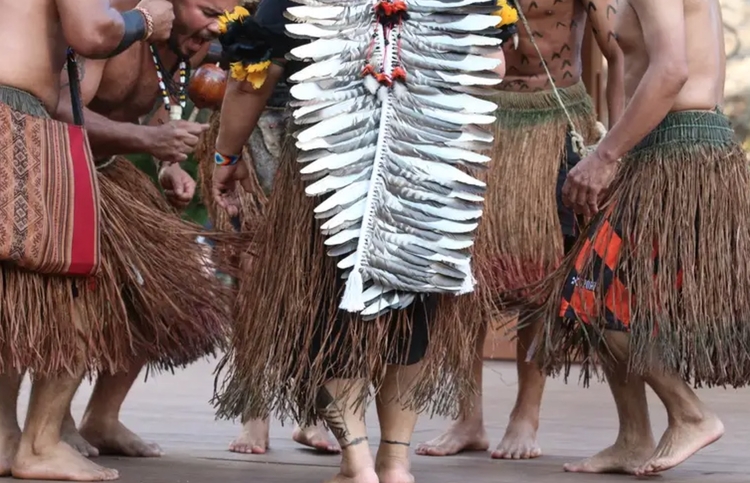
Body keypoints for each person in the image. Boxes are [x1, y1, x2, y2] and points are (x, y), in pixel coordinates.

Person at [210, 1, 517, 482]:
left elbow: (255, 73)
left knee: (327, 309)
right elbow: (493, 63)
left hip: (330, 171)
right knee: (413, 304)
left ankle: (357, 461)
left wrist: (225, 155)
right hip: (429, 164)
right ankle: (395, 462)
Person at [520, 0, 744, 475]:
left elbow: (671, 72)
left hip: (678, 153)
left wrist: (605, 156)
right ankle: (634, 437)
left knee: (587, 296)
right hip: (666, 150)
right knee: (600, 299)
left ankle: (689, 413)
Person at [416, 0, 625, 460]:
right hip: (477, 117)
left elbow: (618, 51)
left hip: (553, 117)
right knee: (464, 273)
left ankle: (526, 414)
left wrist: (613, 147)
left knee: (541, 274)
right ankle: (467, 417)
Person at [53, 0, 243, 460]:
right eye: (207, 10)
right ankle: (50, 424)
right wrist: (147, 141)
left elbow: (162, 104)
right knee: (64, 301)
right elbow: (60, 108)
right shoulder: (117, 27)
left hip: (112, 171)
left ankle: (102, 416)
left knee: (163, 287)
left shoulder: (191, 44)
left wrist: (168, 165)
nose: (216, 26)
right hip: (58, 169)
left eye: (228, 16)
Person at [0, 1, 176, 480]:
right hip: (11, 112)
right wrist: (145, 21)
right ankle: (38, 444)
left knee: (13, 291)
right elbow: (93, 32)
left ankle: (5, 436)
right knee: (77, 286)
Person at [194, 72, 340, 454]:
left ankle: (312, 412)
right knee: (252, 276)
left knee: (320, 279)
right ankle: (254, 413)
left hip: (327, 123)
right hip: (253, 129)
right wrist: (227, 154)